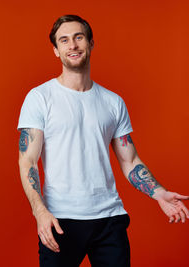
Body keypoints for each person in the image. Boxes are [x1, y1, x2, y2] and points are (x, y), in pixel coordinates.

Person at [17, 14, 189, 267]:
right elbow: (28, 161)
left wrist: (159, 193)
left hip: (110, 219)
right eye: (64, 40)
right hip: (60, 220)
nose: (72, 45)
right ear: (56, 50)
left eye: (78, 37)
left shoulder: (113, 102)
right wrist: (40, 211)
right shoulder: (40, 97)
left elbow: (129, 160)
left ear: (90, 43)